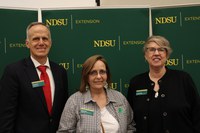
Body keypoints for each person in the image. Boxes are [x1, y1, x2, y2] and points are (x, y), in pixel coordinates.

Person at [0, 22, 68, 133]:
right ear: (27, 43)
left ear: (50, 42)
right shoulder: (13, 71)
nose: (41, 43)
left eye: (45, 39)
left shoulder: (60, 72)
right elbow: (6, 116)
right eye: (36, 39)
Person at [127, 35, 200, 133]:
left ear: (167, 55)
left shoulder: (183, 79)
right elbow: (130, 120)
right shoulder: (136, 83)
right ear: (145, 55)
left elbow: (197, 114)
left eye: (161, 49)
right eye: (152, 49)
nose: (156, 53)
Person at [57, 54, 136, 133]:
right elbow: (64, 131)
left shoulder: (119, 98)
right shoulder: (74, 101)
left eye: (102, 72)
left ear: (107, 75)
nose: (98, 76)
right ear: (86, 76)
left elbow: (130, 127)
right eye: (93, 72)